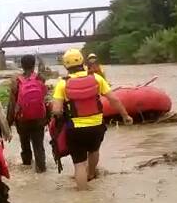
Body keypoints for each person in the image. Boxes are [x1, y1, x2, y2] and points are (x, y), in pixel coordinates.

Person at [52, 48, 133, 191]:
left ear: (65, 66)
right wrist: (125, 116)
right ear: (83, 62)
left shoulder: (62, 84)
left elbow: (56, 110)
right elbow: (114, 100)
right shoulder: (97, 78)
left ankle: (83, 196)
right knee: (94, 151)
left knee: (79, 164)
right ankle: (91, 174)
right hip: (97, 126)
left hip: (75, 129)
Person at [7, 54, 48, 173]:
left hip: (22, 119)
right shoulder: (40, 78)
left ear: (21, 65)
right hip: (39, 118)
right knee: (39, 145)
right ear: (34, 64)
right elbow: (44, 98)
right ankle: (41, 169)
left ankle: (26, 165)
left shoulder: (16, 81)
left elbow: (12, 103)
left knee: (24, 144)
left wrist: (9, 122)